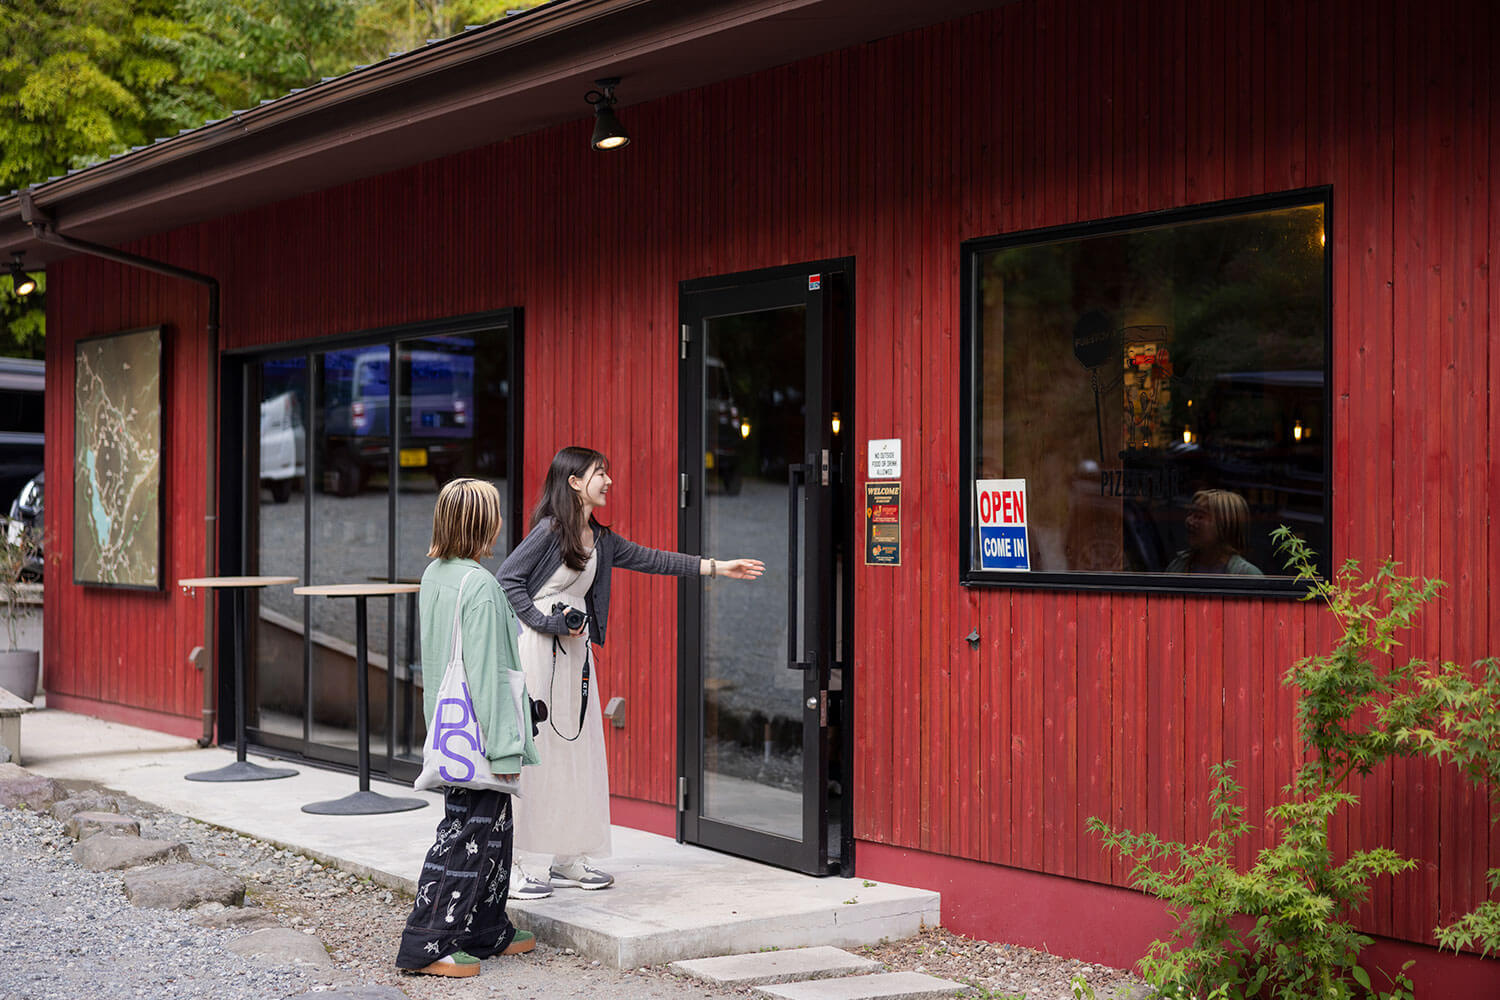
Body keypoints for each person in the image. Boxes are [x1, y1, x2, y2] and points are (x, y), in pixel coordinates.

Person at [498, 445, 764, 898]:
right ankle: (522, 863)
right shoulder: (550, 531)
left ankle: (567, 856)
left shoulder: (600, 539)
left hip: (575, 653)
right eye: (599, 473)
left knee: (578, 750)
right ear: (575, 482)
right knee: (539, 752)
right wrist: (544, 623)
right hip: (541, 652)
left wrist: (718, 567)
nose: (608, 480)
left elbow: (654, 559)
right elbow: (507, 579)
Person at [395, 478, 540, 978]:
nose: (501, 522)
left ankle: (485, 926)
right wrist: (505, 750)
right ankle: (426, 941)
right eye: (495, 513)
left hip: (450, 725)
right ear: (484, 524)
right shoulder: (479, 584)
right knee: (466, 834)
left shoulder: (436, 574)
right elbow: (489, 674)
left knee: (493, 829)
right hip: (481, 730)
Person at [1165, 488, 1263, 575]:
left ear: (1224, 525)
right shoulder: (1178, 566)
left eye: (1199, 516)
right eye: (1190, 514)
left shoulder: (1246, 575)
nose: (1189, 521)